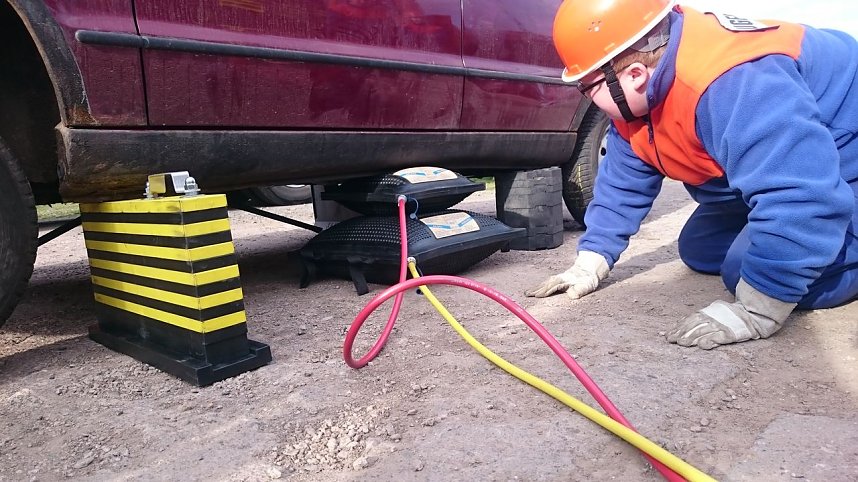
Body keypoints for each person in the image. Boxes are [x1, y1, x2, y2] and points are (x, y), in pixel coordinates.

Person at [526, 0, 858, 349]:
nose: (589, 100)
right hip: (802, 164)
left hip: (842, 160)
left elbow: (801, 196)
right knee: (701, 248)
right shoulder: (637, 97)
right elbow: (624, 179)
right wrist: (590, 260)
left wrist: (758, 309)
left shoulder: (733, 82)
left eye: (587, 87)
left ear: (635, 74)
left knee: (749, 269)